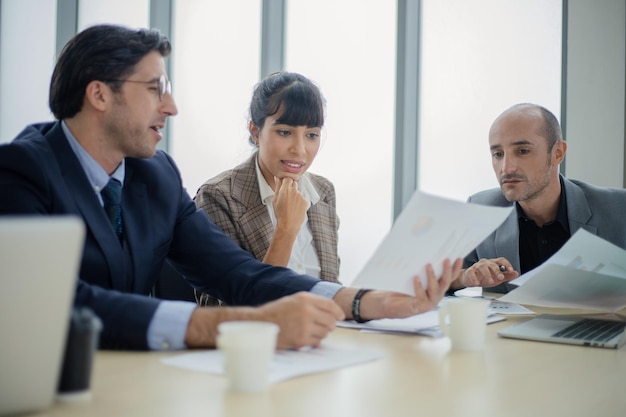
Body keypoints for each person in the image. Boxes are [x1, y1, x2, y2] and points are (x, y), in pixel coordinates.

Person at [0, 24, 462, 351]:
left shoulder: (155, 174)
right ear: (99, 94)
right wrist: (247, 324)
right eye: (155, 88)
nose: (172, 106)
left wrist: (367, 302)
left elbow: (238, 273)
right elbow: (62, 304)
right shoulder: (21, 170)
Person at [194, 72, 340, 307]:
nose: (300, 149)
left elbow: (331, 291)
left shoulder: (323, 193)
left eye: (311, 135)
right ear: (255, 131)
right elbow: (223, 309)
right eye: (285, 132)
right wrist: (286, 229)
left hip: (319, 339)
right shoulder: (219, 196)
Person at [453, 103, 626, 293]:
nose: (506, 168)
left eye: (523, 151)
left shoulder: (618, 208)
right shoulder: (481, 208)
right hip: (515, 323)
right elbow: (434, 280)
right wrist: (464, 277)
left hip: (596, 322)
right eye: (498, 154)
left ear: (557, 153)